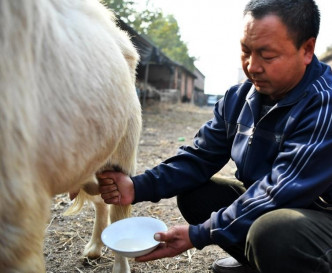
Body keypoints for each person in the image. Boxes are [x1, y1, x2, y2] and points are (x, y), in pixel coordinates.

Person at [98, 0, 332, 272]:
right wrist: (137, 187)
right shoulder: (240, 97)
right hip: (282, 205)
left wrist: (199, 234)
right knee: (195, 193)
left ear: (307, 49)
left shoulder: (323, 104)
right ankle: (258, 260)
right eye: (246, 51)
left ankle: (277, 254)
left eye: (267, 56)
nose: (252, 66)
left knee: (273, 232)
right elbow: (199, 157)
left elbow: (280, 192)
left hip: (320, 218)